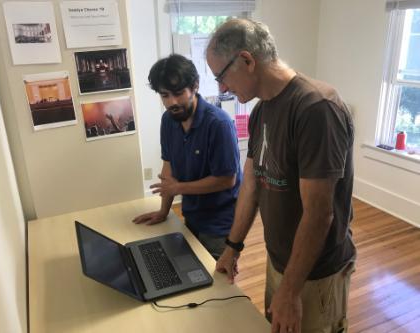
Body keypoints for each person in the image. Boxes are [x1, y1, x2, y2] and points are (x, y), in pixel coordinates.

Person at [206, 18, 356, 333]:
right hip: (282, 264)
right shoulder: (262, 111)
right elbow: (251, 185)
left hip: (315, 274)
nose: (221, 88)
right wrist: (232, 246)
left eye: (221, 76)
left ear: (247, 60)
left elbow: (319, 213)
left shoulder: (316, 108)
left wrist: (290, 291)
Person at [132, 54, 241, 260]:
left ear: (195, 86)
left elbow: (227, 179)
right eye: (165, 95)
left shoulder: (219, 124)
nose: (172, 102)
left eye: (179, 93)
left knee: (218, 283)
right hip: (191, 215)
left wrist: (179, 188)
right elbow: (169, 167)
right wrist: (164, 211)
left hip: (220, 224)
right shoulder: (168, 120)